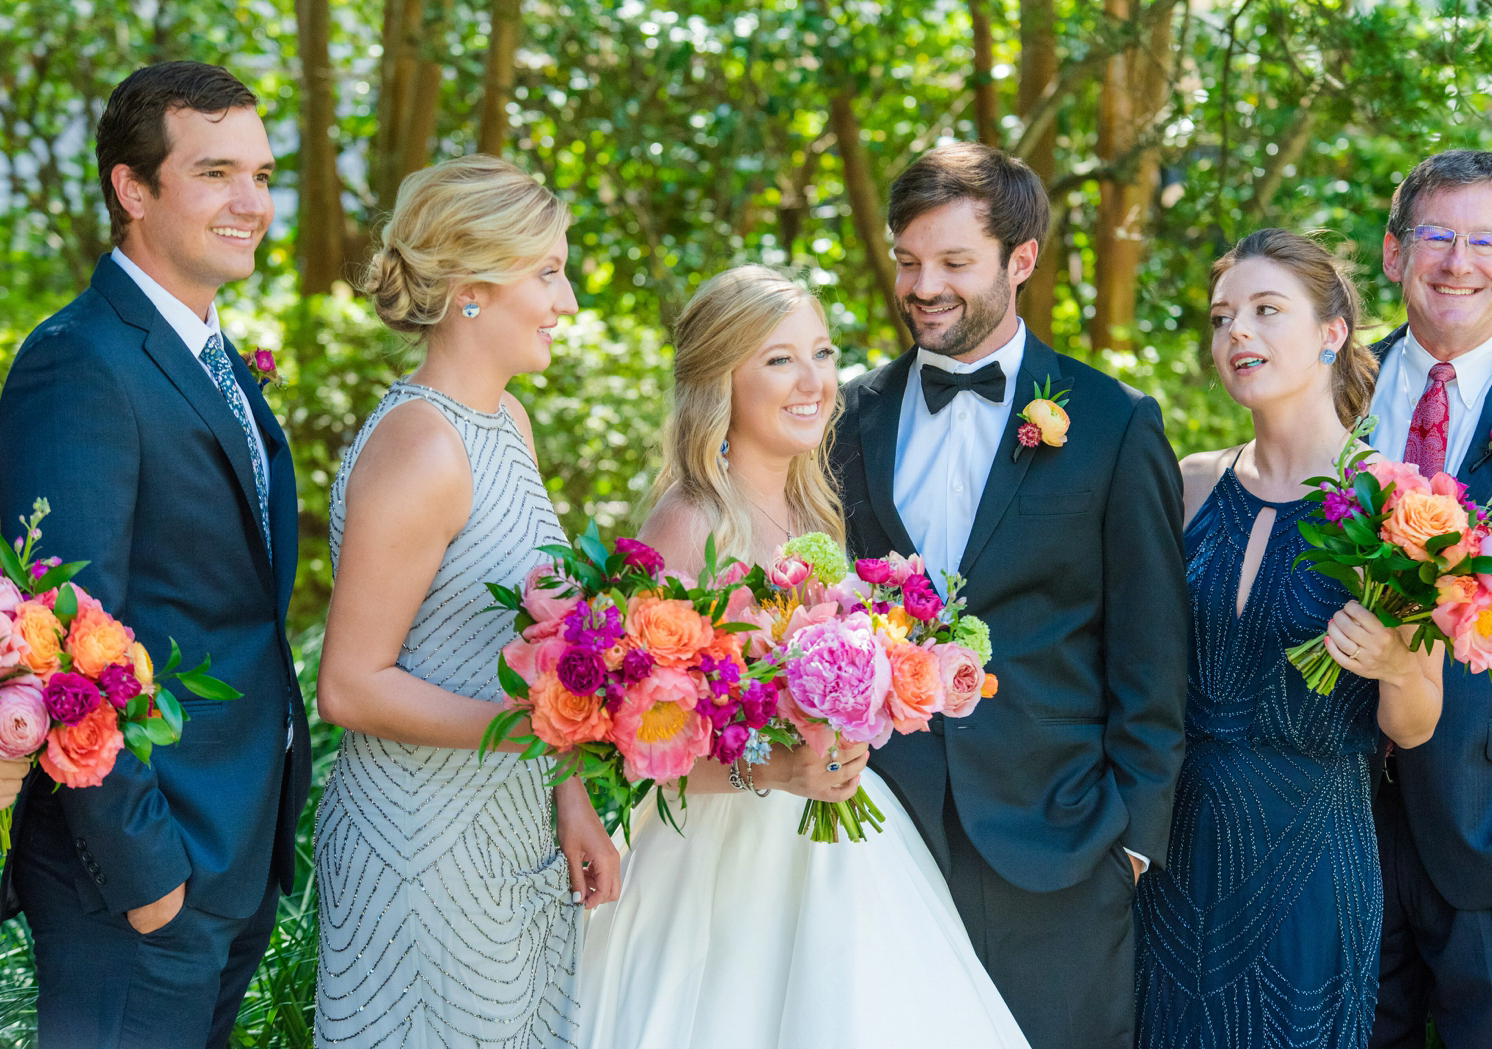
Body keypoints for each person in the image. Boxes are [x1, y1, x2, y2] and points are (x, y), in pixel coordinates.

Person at [577, 265, 1031, 1049]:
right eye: (779, 358)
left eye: (822, 353)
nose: (813, 380)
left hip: (841, 847)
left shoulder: (816, 511)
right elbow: (629, 740)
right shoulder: (689, 523)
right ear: (722, 380)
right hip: (717, 867)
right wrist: (773, 771)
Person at [831, 142, 1188, 1049]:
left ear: (1020, 261)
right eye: (909, 260)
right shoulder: (844, 415)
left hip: (1059, 845)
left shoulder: (1113, 421)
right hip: (878, 835)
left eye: (954, 263)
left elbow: (1152, 649)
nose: (923, 285)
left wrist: (1131, 838)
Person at [0, 62, 310, 1048]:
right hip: (136, 879)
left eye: (261, 174)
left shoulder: (210, 357)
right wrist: (151, 885)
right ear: (133, 190)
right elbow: (61, 638)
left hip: (228, 855)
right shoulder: (80, 361)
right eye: (216, 173)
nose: (251, 202)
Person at [312, 154, 621, 1047]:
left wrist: (571, 794)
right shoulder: (420, 447)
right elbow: (352, 686)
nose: (567, 302)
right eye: (549, 271)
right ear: (472, 288)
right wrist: (534, 728)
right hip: (417, 852)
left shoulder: (507, 421)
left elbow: (539, 642)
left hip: (512, 837)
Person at [1134, 229, 1443, 1049]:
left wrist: (1395, 663)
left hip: (1312, 861)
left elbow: (1415, 723)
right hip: (1173, 852)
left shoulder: (1397, 503)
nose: (1238, 332)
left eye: (1268, 311)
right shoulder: (1187, 482)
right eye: (1222, 316)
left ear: (1332, 331)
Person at [1366, 150, 1492, 1049]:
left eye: (1486, 240)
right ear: (1393, 251)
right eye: (1437, 235)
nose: (1459, 261)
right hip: (1340, 827)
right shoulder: (1331, 388)